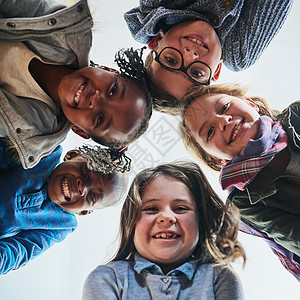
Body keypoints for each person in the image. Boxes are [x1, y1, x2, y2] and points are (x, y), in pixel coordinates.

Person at [0, 0, 152, 169]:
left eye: (100, 119)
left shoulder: (29, 130)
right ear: (108, 69)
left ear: (80, 130)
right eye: (113, 89)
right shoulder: (64, 30)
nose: (95, 99)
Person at [180, 83, 300, 278]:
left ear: (250, 103)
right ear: (215, 159)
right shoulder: (244, 202)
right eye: (209, 131)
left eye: (224, 107)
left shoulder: (297, 114)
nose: (223, 121)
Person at [82, 162, 245, 299]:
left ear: (200, 222)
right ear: (131, 223)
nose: (167, 217)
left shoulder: (220, 278)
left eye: (181, 208)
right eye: (151, 209)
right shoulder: (108, 278)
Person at [124, 0, 292, 114]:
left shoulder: (158, 6)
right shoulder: (240, 51)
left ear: (158, 40)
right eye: (197, 73)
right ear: (216, 70)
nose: (190, 55)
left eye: (171, 60)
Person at [0, 141, 129, 275]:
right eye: (86, 172)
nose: (82, 188)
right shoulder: (45, 154)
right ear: (72, 155)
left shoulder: (61, 225)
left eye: (91, 197)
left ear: (83, 211)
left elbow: (21, 250)